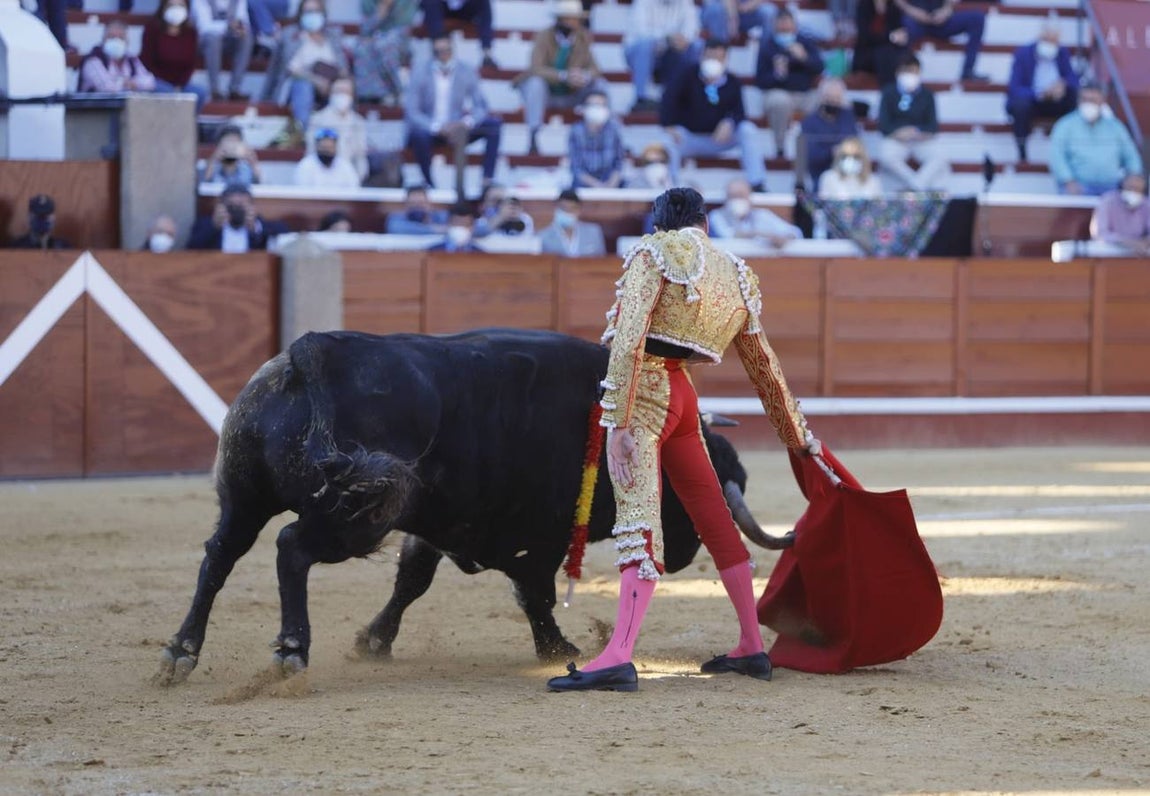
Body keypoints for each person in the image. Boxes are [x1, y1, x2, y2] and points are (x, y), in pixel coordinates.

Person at [546, 187, 820, 693]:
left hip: (646, 396)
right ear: (705, 223)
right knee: (712, 514)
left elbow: (628, 341)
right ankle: (750, 645)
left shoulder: (654, 252)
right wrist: (798, 436)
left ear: (659, 225)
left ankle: (618, 656)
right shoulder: (737, 272)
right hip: (684, 396)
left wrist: (619, 423)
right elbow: (765, 367)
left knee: (637, 519)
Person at [661, 40, 768, 192]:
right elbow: (668, 100)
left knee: (748, 130)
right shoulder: (686, 75)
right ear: (702, 56)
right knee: (667, 140)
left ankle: (757, 182)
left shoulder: (733, 82)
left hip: (719, 140)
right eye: (710, 57)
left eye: (718, 58)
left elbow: (740, 112)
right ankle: (670, 186)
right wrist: (668, 125)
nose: (714, 62)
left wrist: (730, 122)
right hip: (691, 138)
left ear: (725, 60)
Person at [405, 36, 503, 194]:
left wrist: (466, 123)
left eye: (447, 50)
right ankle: (429, 183)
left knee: (494, 126)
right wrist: (437, 127)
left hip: (458, 127)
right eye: (439, 52)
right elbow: (412, 111)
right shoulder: (420, 72)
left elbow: (481, 106)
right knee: (417, 135)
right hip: (431, 129)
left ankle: (487, 180)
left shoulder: (466, 70)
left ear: (453, 51)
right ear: (433, 53)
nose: (443, 55)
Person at [514, 0, 606, 156]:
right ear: (559, 20)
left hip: (572, 93)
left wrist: (583, 76)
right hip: (547, 94)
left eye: (575, 19)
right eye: (569, 19)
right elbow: (535, 68)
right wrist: (564, 76)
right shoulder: (543, 36)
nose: (573, 23)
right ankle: (533, 135)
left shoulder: (583, 37)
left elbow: (596, 69)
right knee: (535, 83)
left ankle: (604, 135)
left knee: (601, 86)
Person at [261, 0, 350, 135]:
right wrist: (315, 80)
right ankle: (305, 134)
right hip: (298, 84)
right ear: (300, 14)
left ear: (323, 14)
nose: (312, 15)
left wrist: (332, 83)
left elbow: (343, 68)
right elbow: (289, 69)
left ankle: (341, 135)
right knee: (303, 86)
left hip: (330, 86)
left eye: (316, 11)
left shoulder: (333, 36)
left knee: (343, 88)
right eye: (308, 12)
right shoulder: (290, 35)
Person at [753, 10, 824, 160]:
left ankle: (819, 147)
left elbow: (819, 67)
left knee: (828, 98)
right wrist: (777, 75)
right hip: (777, 92)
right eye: (781, 29)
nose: (785, 32)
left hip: (804, 94)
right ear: (774, 27)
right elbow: (760, 80)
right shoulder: (767, 45)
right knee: (780, 101)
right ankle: (780, 148)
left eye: (788, 29)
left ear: (795, 27)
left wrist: (804, 58)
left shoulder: (805, 42)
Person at [1049, 84, 1143, 197]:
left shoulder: (1115, 127)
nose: (1088, 104)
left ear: (1102, 102)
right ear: (1078, 101)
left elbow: (1131, 155)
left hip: (1111, 187)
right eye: (1084, 99)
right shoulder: (1065, 125)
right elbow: (1057, 157)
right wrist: (1068, 181)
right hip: (1078, 186)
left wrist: (1134, 175)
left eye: (1093, 100)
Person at [1006, 23, 1079, 162]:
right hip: (1033, 100)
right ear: (1039, 38)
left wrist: (1063, 84)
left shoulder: (1062, 53)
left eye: (1054, 41)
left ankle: (1070, 149)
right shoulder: (1023, 54)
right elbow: (1015, 88)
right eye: (1047, 40)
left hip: (1056, 100)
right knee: (1020, 105)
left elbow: (1073, 78)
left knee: (1074, 95)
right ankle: (1022, 153)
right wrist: (1040, 94)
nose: (1050, 44)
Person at [877, 53, 949, 191]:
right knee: (886, 155)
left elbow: (933, 126)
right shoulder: (888, 93)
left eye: (914, 71)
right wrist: (898, 133)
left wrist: (917, 132)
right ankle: (915, 183)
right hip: (896, 138)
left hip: (921, 138)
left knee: (941, 156)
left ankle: (916, 185)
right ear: (898, 72)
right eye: (906, 71)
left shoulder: (928, 95)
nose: (910, 75)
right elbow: (883, 125)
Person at [624, 0, 702, 113]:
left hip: (673, 50)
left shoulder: (686, 3)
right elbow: (642, 32)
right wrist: (667, 38)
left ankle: (687, 95)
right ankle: (640, 98)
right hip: (641, 53)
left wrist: (683, 39)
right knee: (645, 44)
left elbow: (692, 28)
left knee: (696, 45)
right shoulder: (641, 2)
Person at [894, 0, 986, 82]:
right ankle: (904, 73)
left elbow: (951, 3)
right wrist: (914, 12)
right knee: (901, 30)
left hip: (941, 21)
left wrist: (945, 12)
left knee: (977, 18)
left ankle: (968, 71)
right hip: (914, 20)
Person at [141, 0, 208, 109]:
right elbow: (146, 61)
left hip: (181, 83)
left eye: (180, 5)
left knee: (200, 93)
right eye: (171, 5)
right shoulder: (152, 28)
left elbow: (191, 63)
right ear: (163, 7)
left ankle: (188, 124)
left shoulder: (191, 32)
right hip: (157, 80)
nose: (176, 9)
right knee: (167, 92)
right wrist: (168, 84)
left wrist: (180, 84)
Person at [353, 0, 420, 106]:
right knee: (362, 48)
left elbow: (404, 29)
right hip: (374, 39)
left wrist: (389, 7)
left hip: (400, 42)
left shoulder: (406, 2)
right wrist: (379, 15)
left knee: (385, 46)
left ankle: (396, 91)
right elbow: (365, 30)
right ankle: (369, 97)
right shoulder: (367, 2)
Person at [799, 77, 859, 187]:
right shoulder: (809, 122)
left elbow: (853, 141)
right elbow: (811, 156)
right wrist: (831, 152)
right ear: (821, 98)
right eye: (829, 98)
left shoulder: (847, 116)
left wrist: (842, 150)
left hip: (847, 169)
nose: (833, 102)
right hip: (821, 172)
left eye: (837, 99)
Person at [187, 185, 285, 251]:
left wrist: (255, 227)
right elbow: (191, 250)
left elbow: (286, 236)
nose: (236, 210)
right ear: (222, 206)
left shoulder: (262, 227)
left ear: (252, 207)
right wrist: (214, 226)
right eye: (232, 206)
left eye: (241, 206)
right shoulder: (206, 225)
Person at [708, 177, 802, 246]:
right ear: (726, 199)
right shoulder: (716, 216)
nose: (737, 200)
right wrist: (762, 235)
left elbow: (795, 232)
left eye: (741, 195)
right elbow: (726, 236)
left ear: (749, 197)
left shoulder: (762, 215)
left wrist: (785, 238)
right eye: (733, 196)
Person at [307, 78, 370, 181]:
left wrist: (358, 178)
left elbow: (360, 155)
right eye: (339, 91)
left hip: (349, 176)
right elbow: (312, 151)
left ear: (352, 96)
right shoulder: (317, 119)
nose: (342, 95)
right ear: (331, 94)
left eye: (346, 92)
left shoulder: (358, 122)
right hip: (321, 174)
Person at [191, 0, 252, 100]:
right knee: (213, 39)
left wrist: (241, 29)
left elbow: (243, 19)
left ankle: (234, 89)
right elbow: (204, 27)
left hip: (228, 39)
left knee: (246, 38)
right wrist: (228, 26)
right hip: (203, 41)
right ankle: (215, 89)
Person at [78, 21, 157, 93]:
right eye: (111, 37)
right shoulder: (93, 60)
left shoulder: (131, 59)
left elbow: (150, 82)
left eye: (121, 38)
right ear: (103, 39)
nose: (116, 41)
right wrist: (126, 83)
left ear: (127, 41)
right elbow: (107, 87)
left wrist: (132, 83)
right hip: (97, 107)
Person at [568, 90, 625, 189]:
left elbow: (618, 163)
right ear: (584, 108)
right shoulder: (576, 131)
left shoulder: (614, 130)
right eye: (594, 105)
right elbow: (576, 168)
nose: (598, 109)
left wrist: (611, 185)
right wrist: (597, 186)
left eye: (602, 105)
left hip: (612, 184)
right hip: (583, 186)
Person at [422, 0, 497, 69]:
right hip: (442, 7)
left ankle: (487, 54)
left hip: (466, 8)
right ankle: (441, 50)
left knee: (484, 2)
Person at [852, 0, 908, 88]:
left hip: (888, 52)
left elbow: (898, 32)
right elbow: (865, 36)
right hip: (866, 53)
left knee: (898, 53)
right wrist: (890, 37)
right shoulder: (864, 6)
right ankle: (888, 90)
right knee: (883, 53)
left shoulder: (893, 7)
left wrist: (901, 38)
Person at [1090, 174, 1150, 255]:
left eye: (1137, 189)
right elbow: (1101, 233)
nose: (1133, 192)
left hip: (1140, 250)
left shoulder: (1146, 204)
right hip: (1111, 250)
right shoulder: (1107, 201)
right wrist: (1127, 242)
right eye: (1130, 188)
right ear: (1121, 187)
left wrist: (1145, 242)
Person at [539, 189, 606, 256]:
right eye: (563, 208)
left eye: (572, 209)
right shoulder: (543, 236)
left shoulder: (593, 232)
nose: (567, 212)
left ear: (579, 211)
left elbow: (603, 262)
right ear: (556, 208)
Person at [818, 137, 883, 199]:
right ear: (839, 157)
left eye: (855, 156)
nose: (850, 160)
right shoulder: (828, 178)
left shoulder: (873, 181)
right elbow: (823, 206)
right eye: (845, 156)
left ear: (863, 158)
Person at [295, 128, 361, 188]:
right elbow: (303, 193)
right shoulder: (306, 165)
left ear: (335, 148)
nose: (327, 151)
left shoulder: (345, 165)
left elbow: (354, 188)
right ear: (317, 147)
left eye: (330, 148)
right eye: (324, 147)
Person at [700, 0, 777, 46]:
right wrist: (733, 18)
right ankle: (719, 50)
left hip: (750, 10)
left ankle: (766, 51)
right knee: (715, 10)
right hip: (725, 10)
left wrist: (748, 6)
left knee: (769, 11)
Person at [7, 195, 72, 250]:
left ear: (53, 218)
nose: (42, 220)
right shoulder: (16, 247)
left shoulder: (63, 247)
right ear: (29, 217)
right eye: (39, 216)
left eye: (46, 216)